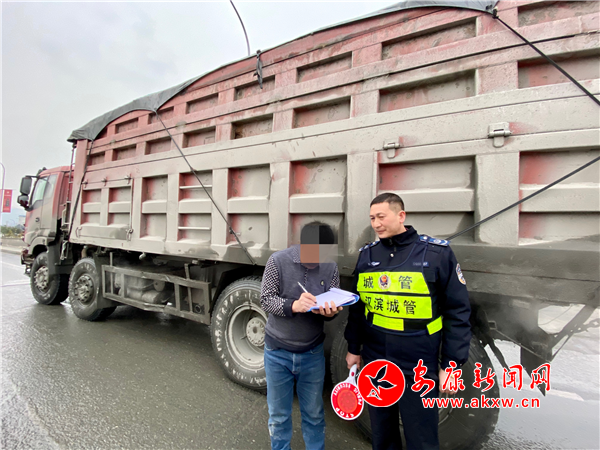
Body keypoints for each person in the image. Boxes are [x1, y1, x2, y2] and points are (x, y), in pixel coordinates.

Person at [345, 193, 471, 450]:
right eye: (372, 218)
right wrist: (353, 348)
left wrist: (451, 364)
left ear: (401, 215)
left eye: (381, 217)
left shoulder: (436, 253)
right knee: (382, 431)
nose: (376, 224)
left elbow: (457, 312)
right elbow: (358, 308)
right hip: (377, 355)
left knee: (421, 433)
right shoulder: (367, 256)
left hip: (419, 357)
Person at [261, 222, 342, 450]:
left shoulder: (331, 267)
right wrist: (294, 305)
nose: (316, 259)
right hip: (277, 352)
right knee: (279, 416)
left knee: (314, 414)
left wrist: (330, 313)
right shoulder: (278, 261)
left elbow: (333, 303)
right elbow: (266, 299)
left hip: (312, 354)